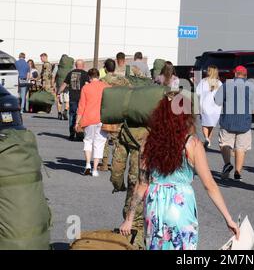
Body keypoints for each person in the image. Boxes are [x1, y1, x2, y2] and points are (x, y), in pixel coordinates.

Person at [119, 92, 240, 250]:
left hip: (155, 207)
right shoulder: (192, 144)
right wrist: (228, 219)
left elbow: (141, 184)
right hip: (181, 206)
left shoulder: (147, 143)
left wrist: (129, 219)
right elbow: (210, 185)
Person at [101, 58, 148, 249]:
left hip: (137, 181)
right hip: (161, 183)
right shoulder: (152, 118)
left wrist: (117, 183)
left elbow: (118, 163)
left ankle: (136, 244)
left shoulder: (126, 127)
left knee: (134, 219)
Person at [216, 66, 254, 181]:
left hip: (227, 121)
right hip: (244, 123)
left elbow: (217, 101)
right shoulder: (252, 87)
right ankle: (238, 172)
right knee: (241, 147)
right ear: (246, 75)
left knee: (224, 143)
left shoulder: (226, 85)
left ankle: (228, 164)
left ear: (235, 74)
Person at [75, 69, 109, 177]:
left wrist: (77, 122)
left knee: (88, 141)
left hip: (88, 119)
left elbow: (81, 106)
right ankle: (95, 169)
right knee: (99, 143)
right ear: (98, 76)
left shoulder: (86, 88)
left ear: (89, 77)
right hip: (101, 119)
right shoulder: (106, 87)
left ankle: (87, 164)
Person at [58, 60, 90, 141]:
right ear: (83, 65)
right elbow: (87, 85)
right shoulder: (85, 74)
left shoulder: (70, 73)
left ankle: (72, 134)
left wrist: (58, 92)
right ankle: (80, 133)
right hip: (82, 98)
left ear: (76, 65)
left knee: (72, 115)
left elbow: (64, 84)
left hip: (73, 98)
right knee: (81, 116)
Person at [195, 65, 222, 148]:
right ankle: (208, 140)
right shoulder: (219, 83)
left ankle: (207, 138)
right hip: (216, 108)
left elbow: (197, 92)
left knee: (205, 124)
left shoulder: (203, 81)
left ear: (209, 71)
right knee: (211, 124)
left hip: (205, 106)